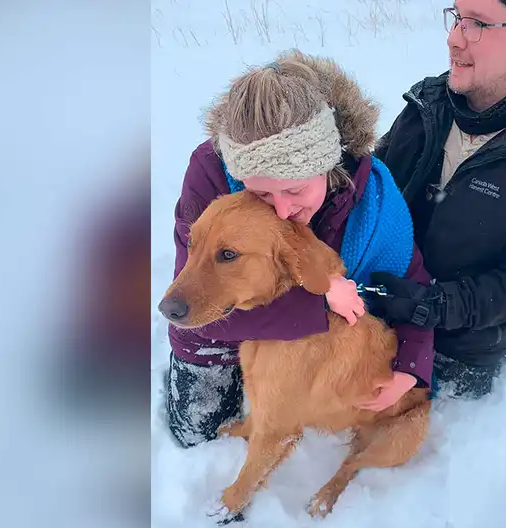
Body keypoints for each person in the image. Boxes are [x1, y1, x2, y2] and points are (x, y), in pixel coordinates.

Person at [164, 50, 435, 449]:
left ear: (328, 164)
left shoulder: (371, 197)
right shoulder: (209, 174)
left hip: (304, 341)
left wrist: (412, 368)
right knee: (200, 439)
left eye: (295, 188)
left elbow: (413, 285)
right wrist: (320, 302)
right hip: (219, 329)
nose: (282, 209)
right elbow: (190, 303)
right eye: (259, 192)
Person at [368, 0, 506, 398]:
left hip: (460, 347)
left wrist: (435, 305)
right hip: (378, 309)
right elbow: (370, 187)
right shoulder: (426, 107)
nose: (454, 38)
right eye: (456, 18)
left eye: (477, 24)